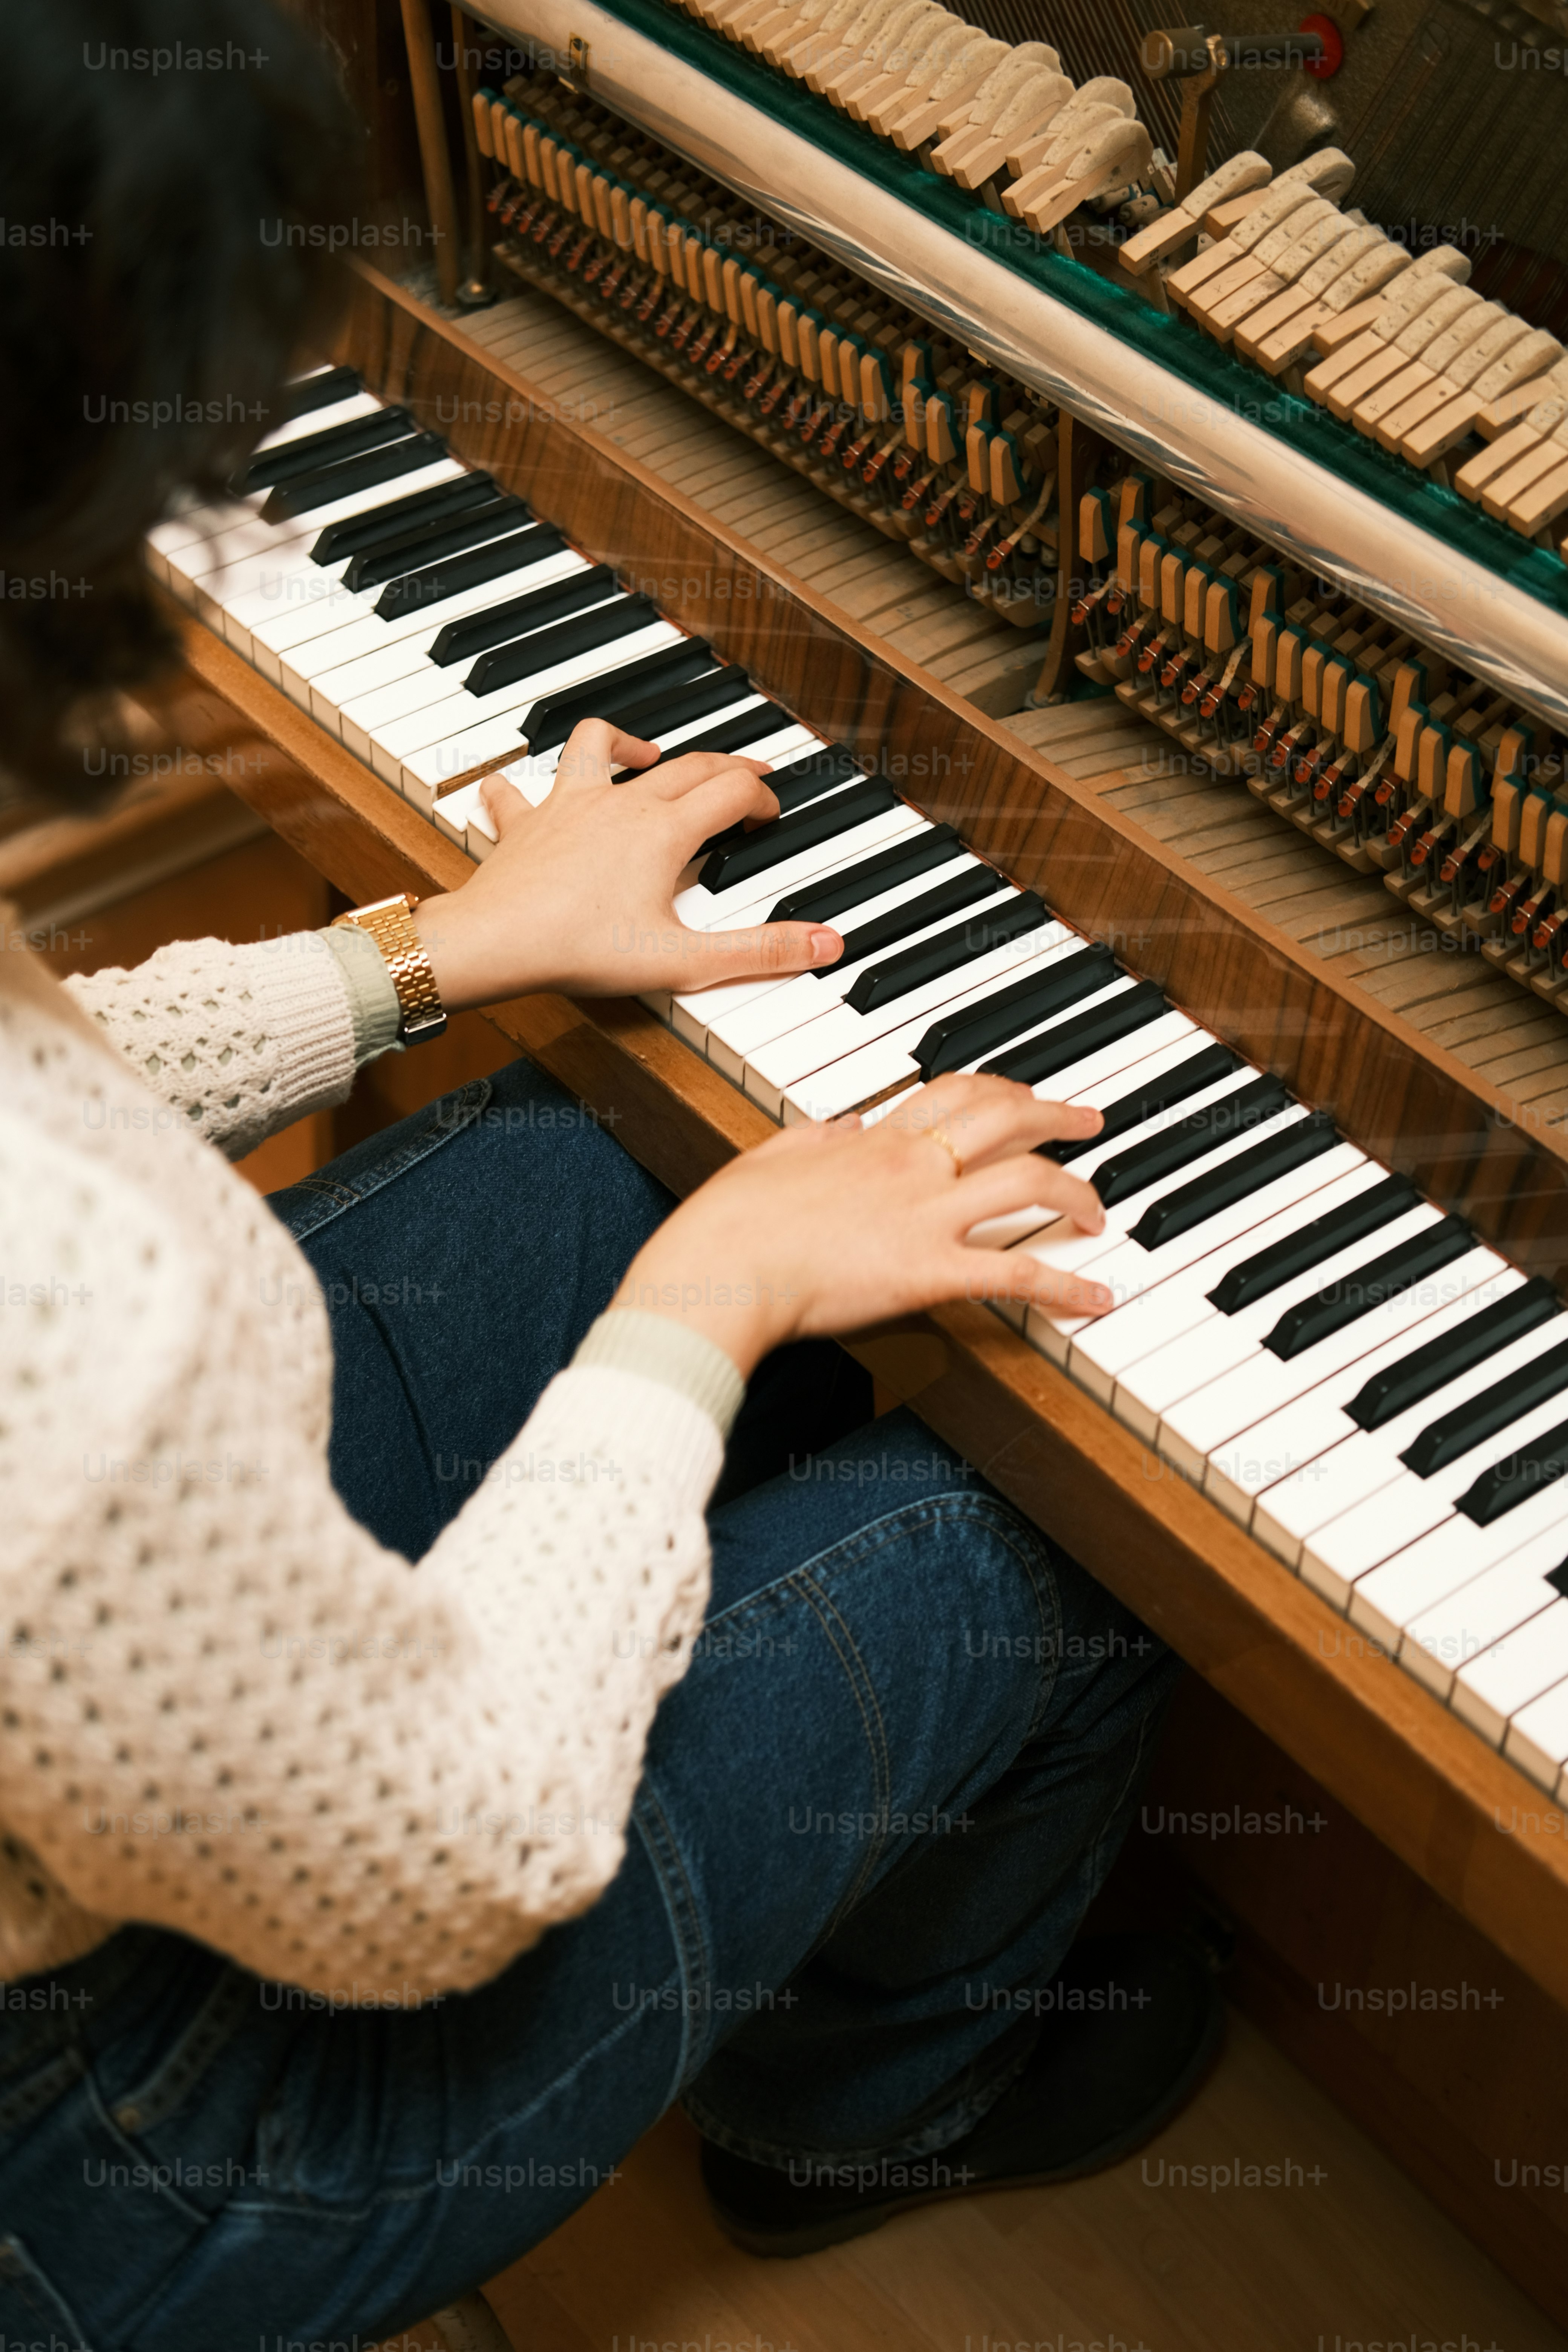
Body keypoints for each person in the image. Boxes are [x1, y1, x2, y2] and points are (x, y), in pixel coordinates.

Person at [0, 3, 1216, 2342]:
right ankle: (857, 2108)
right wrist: (716, 1306)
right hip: (119, 2145)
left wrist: (418, 957)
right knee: (1083, 1498)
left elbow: (46, 1078)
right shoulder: (66, 1295)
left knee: (611, 1134)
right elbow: (455, 1847)